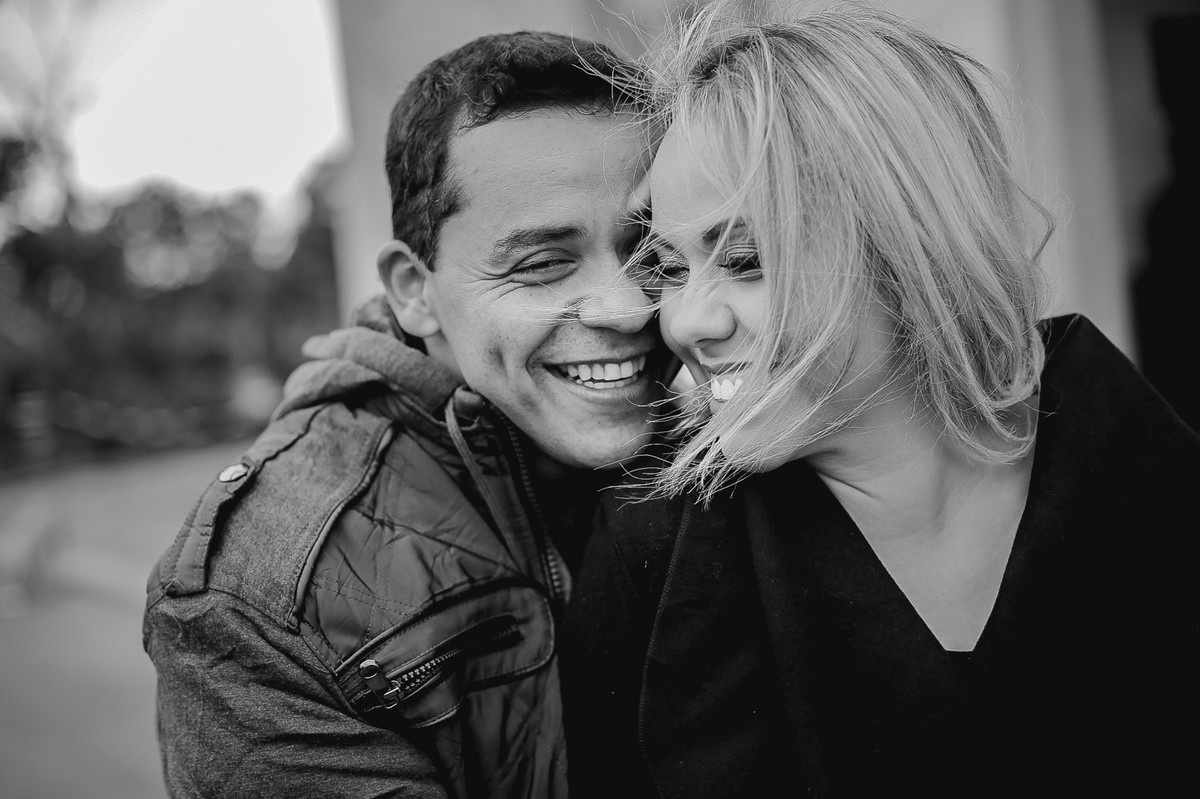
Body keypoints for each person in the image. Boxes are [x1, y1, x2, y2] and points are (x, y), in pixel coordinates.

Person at [562, 3, 1200, 797]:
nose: (687, 322)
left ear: (908, 245)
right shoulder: (649, 559)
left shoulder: (1149, 482)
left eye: (749, 258)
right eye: (672, 267)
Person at [143, 30, 671, 799]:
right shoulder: (262, 600)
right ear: (414, 290)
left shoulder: (747, 439)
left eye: (650, 249)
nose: (628, 308)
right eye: (542, 263)